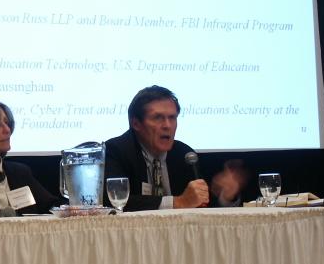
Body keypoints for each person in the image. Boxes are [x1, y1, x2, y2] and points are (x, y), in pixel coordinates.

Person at [103, 85, 247, 211]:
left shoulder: (184, 155)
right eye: (158, 118)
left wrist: (225, 196)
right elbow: (114, 202)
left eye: (172, 118)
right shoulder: (115, 151)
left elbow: (200, 204)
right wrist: (178, 202)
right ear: (136, 123)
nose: (167, 125)